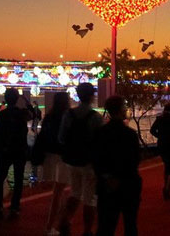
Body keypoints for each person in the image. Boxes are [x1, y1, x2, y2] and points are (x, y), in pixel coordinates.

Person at [57, 82, 103, 236]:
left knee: (75, 193)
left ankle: (65, 221)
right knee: (90, 199)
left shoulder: (68, 114)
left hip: (71, 160)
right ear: (92, 96)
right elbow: (100, 142)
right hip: (89, 162)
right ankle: (87, 230)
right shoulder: (96, 117)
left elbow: (61, 138)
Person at [93, 96, 142, 236]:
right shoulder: (130, 134)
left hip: (107, 184)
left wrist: (107, 177)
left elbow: (96, 159)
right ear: (121, 110)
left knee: (106, 225)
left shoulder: (101, 133)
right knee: (130, 224)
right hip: (128, 183)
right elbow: (134, 160)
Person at [0, 88, 33, 220]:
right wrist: (26, 100)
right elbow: (33, 114)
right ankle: (15, 207)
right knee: (18, 179)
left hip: (5, 151)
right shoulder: (22, 114)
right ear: (16, 99)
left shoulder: (2, 115)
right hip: (19, 150)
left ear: (6, 99)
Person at [38, 92, 71, 235]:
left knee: (58, 191)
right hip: (63, 156)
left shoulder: (49, 116)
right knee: (60, 192)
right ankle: (54, 225)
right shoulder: (68, 116)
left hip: (50, 156)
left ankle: (58, 224)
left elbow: (43, 135)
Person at [150, 102, 170, 200]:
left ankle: (166, 187)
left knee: (167, 165)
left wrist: (160, 136)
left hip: (162, 144)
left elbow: (152, 130)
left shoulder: (160, 119)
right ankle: (168, 190)